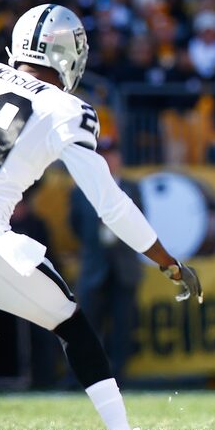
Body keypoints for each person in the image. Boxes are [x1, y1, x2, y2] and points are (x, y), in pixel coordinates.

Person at [0, 4, 203, 430]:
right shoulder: (66, 108)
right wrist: (167, 261)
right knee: (72, 324)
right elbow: (111, 205)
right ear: (69, 55)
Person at [69, 137, 143, 380]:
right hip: (95, 267)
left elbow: (140, 223)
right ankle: (86, 375)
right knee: (88, 325)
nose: (108, 160)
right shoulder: (81, 189)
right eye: (102, 155)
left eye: (112, 154)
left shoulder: (132, 187)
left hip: (124, 267)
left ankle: (119, 376)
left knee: (123, 326)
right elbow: (76, 225)